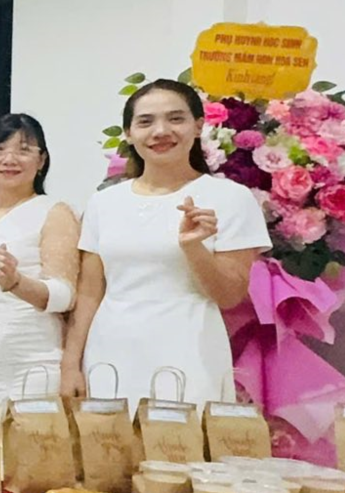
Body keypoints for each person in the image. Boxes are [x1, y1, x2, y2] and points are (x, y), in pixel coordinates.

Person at [63, 79, 269, 405]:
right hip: (110, 354)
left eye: (175, 119)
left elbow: (230, 295)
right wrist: (70, 364)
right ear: (129, 134)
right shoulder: (105, 201)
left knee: (183, 436)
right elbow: (90, 292)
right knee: (108, 437)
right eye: (146, 122)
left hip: (190, 354)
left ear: (198, 126)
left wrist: (194, 248)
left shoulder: (231, 198)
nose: (161, 131)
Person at [0, 114, 79, 404]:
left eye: (23, 150)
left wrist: (17, 283)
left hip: (33, 357)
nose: (9, 159)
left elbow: (65, 296)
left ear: (41, 160)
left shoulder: (54, 211)